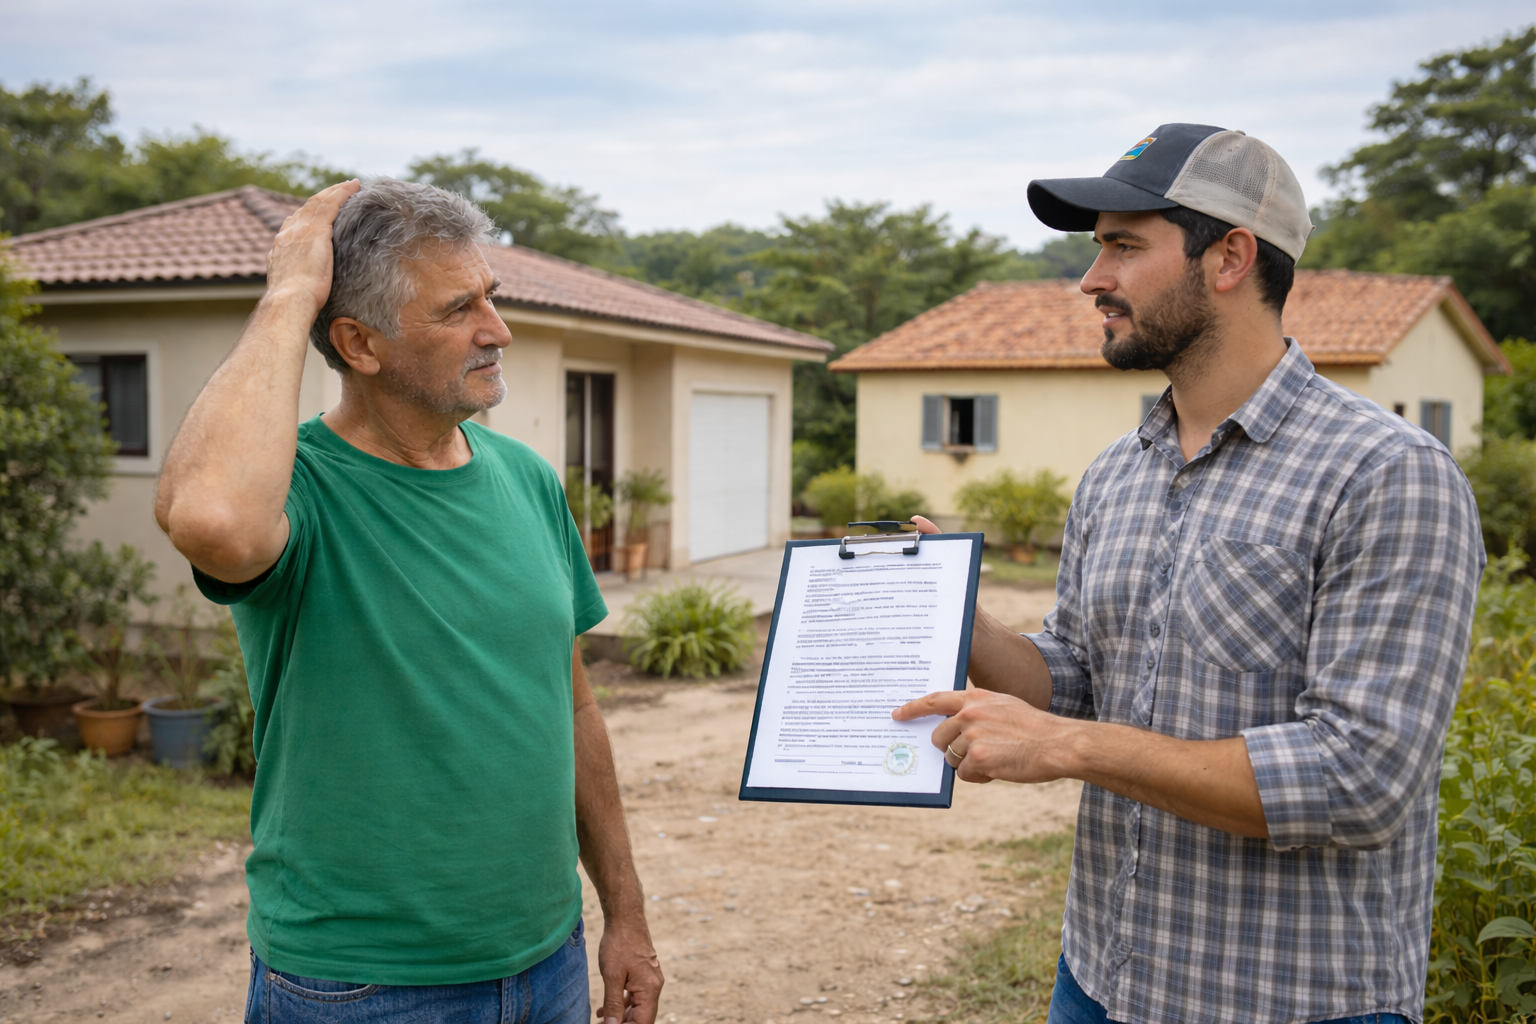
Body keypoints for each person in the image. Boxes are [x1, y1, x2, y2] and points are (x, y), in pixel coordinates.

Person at [894, 124, 1483, 1024]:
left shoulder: (1387, 474)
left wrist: (1068, 748)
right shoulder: (1114, 473)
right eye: (1097, 250)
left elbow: (1362, 779)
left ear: (1231, 258)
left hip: (1293, 1002)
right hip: (1100, 980)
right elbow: (1080, 678)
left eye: (1124, 247)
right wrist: (965, 623)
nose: (1092, 280)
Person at [155, 178, 663, 1023]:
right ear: (359, 342)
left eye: (491, 298)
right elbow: (211, 519)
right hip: (361, 985)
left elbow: (571, 708)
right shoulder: (300, 491)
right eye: (458, 309)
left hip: (550, 960)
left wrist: (627, 914)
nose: (497, 331)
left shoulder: (528, 479)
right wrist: (290, 292)